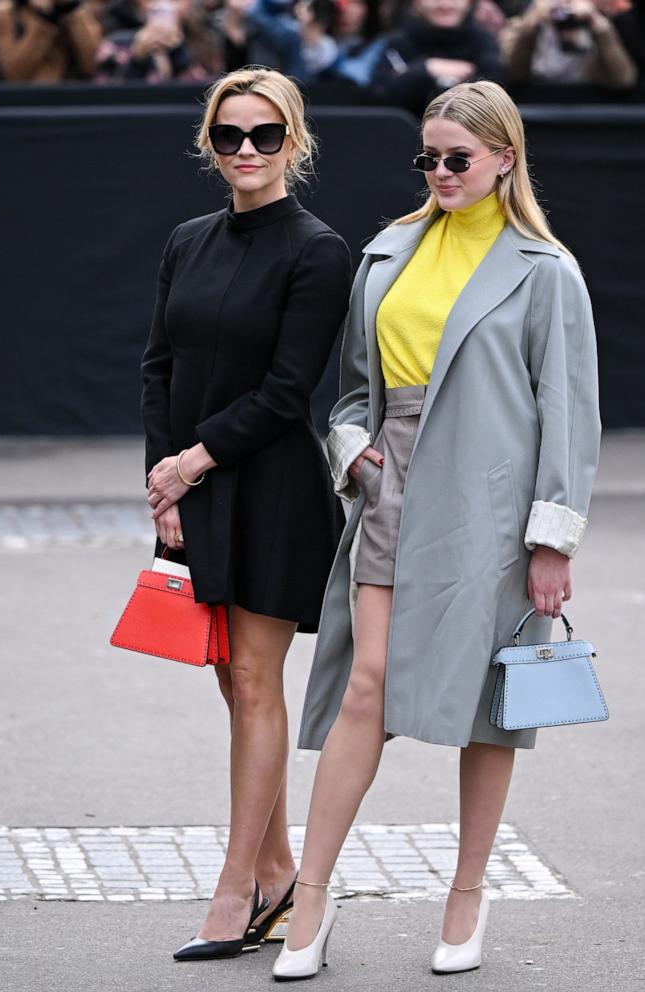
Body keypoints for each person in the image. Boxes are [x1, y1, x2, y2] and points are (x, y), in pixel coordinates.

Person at [273, 79, 601, 980]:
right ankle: (310, 898)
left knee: (483, 710)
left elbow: (567, 414)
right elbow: (347, 391)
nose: (443, 172)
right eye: (430, 157)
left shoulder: (545, 270)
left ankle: (466, 896)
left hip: (491, 507)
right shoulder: (389, 251)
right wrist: (354, 455)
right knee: (365, 689)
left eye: (460, 157)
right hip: (391, 484)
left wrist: (551, 540)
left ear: (504, 157)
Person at [141, 66, 351, 962]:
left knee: (255, 680)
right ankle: (279, 874)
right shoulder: (188, 239)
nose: (246, 152)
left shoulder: (317, 249)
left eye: (265, 136)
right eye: (229, 136)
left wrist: (193, 460)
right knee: (228, 679)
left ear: (293, 143)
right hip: (196, 488)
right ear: (208, 142)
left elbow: (287, 391)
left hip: (270, 492)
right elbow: (158, 367)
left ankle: (235, 893)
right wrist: (165, 481)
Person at [373, 0, 505, 116]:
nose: (445, 4)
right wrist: (426, 68)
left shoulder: (484, 42)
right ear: (416, 2)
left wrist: (408, 75)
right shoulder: (398, 43)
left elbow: (497, 93)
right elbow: (379, 99)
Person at [501, 0, 638, 89]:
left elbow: (623, 80)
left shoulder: (600, 24)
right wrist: (531, 25)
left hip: (587, 109)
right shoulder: (529, 22)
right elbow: (514, 76)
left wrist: (598, 26)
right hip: (539, 104)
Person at [0, 0, 100, 81]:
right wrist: (45, 19)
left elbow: (95, 67)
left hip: (74, 97)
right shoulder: (5, 13)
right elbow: (13, 75)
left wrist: (71, 11)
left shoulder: (81, 10)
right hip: (25, 99)